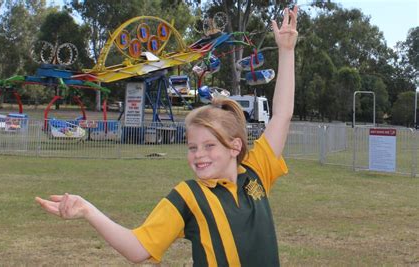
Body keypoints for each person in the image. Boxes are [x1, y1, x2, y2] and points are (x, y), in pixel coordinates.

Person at [36, 5, 298, 266]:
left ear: (234, 146)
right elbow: (138, 249)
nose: (198, 155)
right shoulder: (188, 195)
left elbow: (282, 114)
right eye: (192, 147)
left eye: (209, 145)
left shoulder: (256, 172)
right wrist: (88, 211)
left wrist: (286, 52)